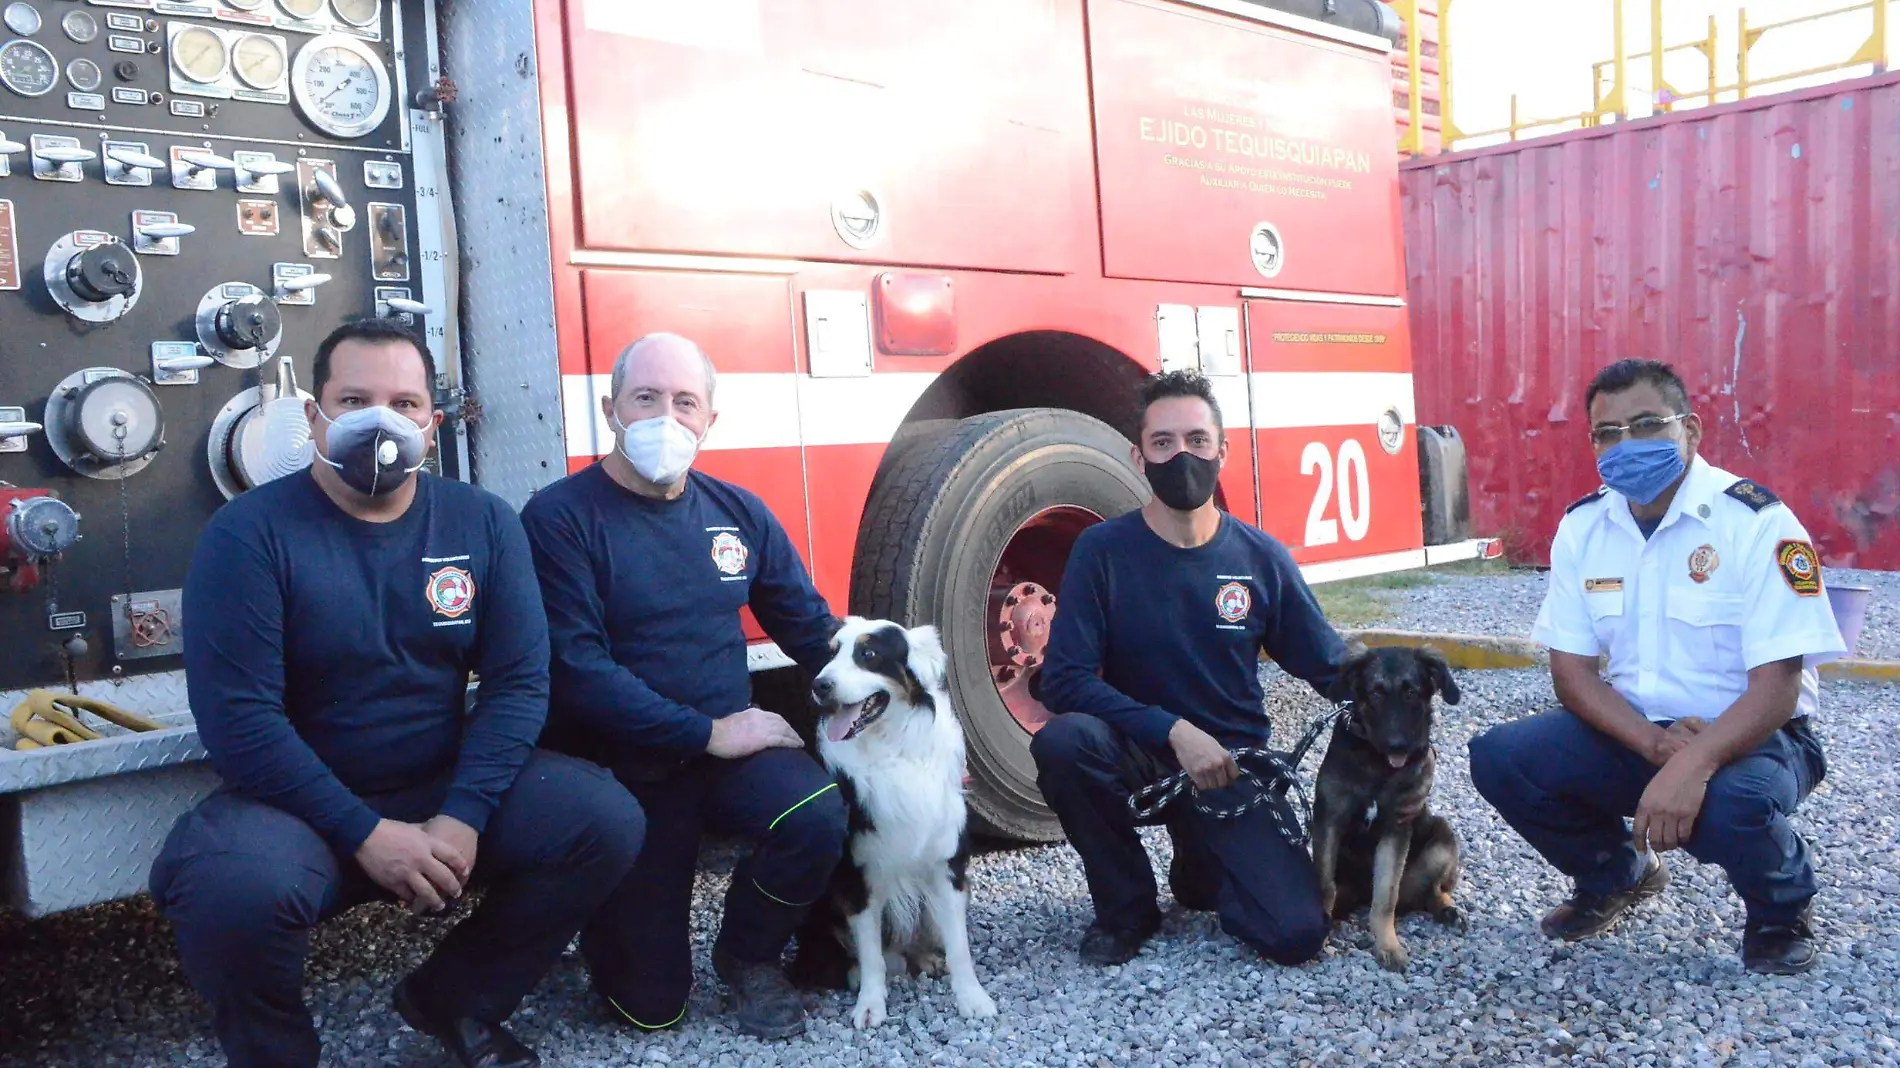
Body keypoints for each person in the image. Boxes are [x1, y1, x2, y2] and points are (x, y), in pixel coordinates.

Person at [151, 318, 645, 1068]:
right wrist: (364, 833)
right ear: (313, 416)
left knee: (602, 819)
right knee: (227, 887)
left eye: (406, 403)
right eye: (354, 399)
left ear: (432, 424)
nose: (382, 420)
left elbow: (518, 683)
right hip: (298, 808)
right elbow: (239, 721)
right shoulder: (247, 535)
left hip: (438, 784)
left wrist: (465, 816)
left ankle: (458, 997)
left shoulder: (481, 521)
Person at [1468, 358, 1843, 975]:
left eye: (1646, 424)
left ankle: (1781, 910)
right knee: (1501, 758)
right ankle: (1617, 874)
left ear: (1691, 430)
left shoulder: (1758, 524)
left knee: (1728, 805)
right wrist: (1657, 746)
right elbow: (1573, 673)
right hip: (1643, 731)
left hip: (1760, 734)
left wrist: (1696, 762)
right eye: (1608, 432)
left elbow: (1778, 688)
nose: (1626, 445)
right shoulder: (1585, 528)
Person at [520, 332, 846, 1039]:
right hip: (627, 772)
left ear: (710, 420)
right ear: (610, 409)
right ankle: (596, 931)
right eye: (646, 398)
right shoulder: (558, 520)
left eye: (685, 402)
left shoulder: (739, 513)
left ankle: (749, 956)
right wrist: (708, 732)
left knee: (817, 814)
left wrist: (913, 707)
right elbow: (575, 671)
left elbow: (816, 634)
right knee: (649, 1010)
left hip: (725, 756)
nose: (666, 418)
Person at [1031, 369, 1346, 967]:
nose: (1182, 456)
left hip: (1233, 768)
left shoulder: (1260, 558)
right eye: (1163, 443)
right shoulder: (1102, 553)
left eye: (1197, 441)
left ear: (1223, 450)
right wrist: (1174, 731)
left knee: (1296, 934)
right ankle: (1126, 910)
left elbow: (1330, 666)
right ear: (1138, 455)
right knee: (1065, 743)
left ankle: (1203, 865)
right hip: (1144, 756)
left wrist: (1399, 701)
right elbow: (1066, 680)